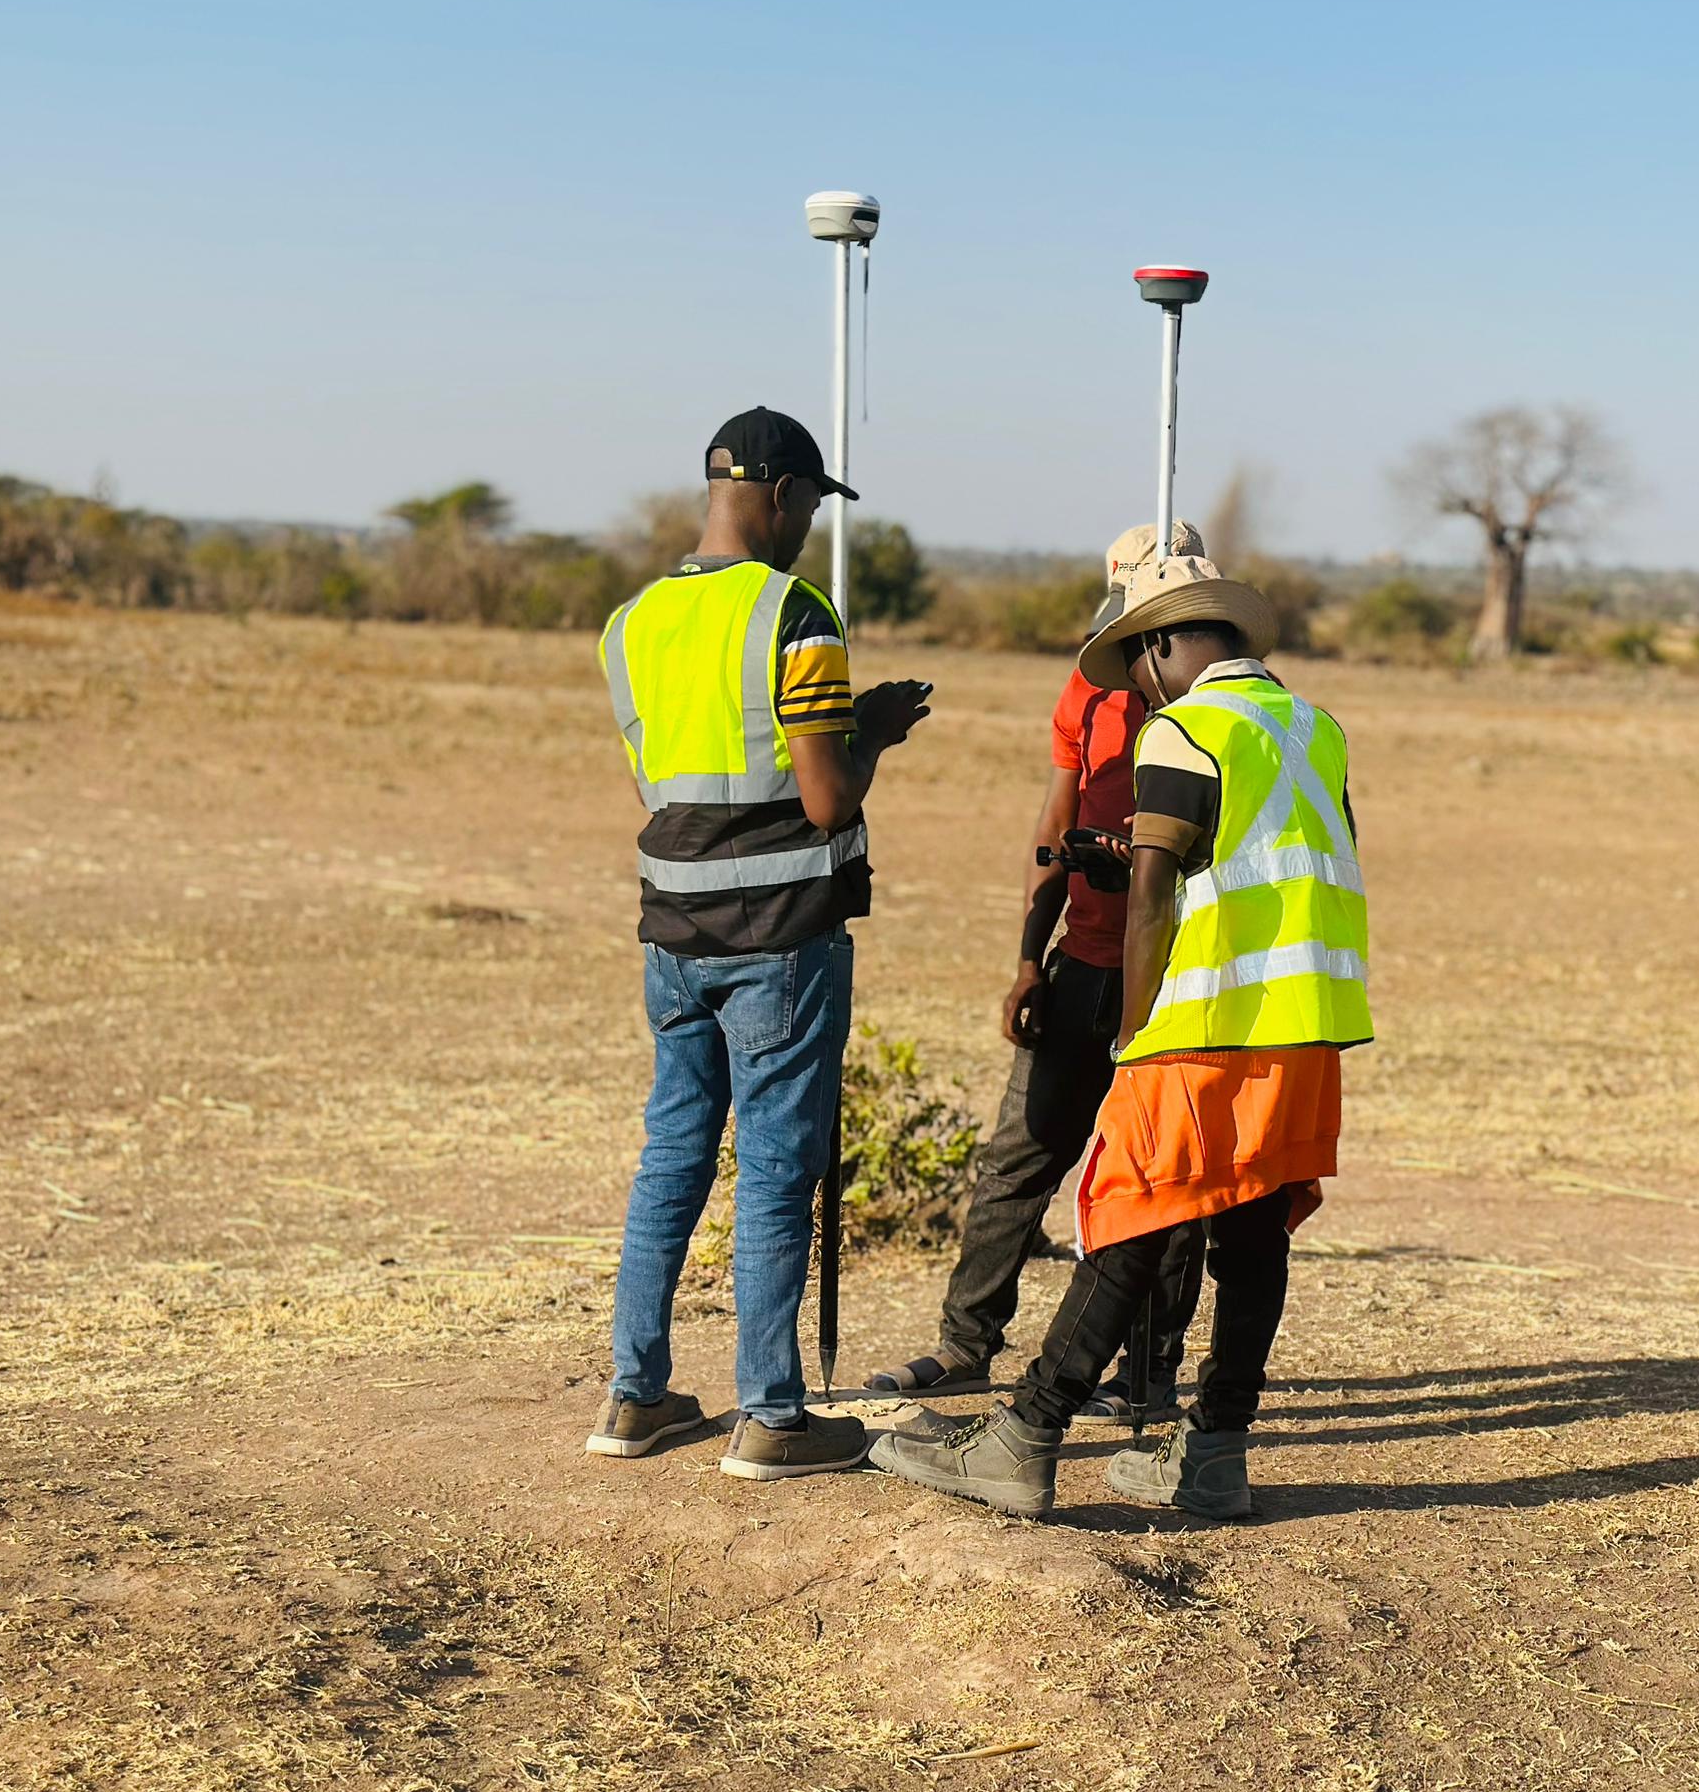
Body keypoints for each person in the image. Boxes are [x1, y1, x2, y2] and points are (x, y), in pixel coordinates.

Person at [870, 555, 1370, 1520]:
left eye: (1138, 666)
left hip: (1206, 1022)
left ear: (1164, 644)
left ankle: (1024, 1438)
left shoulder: (1186, 731)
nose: (1139, 690)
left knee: (1137, 1215)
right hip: (1307, 1026)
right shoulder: (1314, 728)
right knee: (1253, 1230)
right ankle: (1216, 1452)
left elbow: (1150, 897)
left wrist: (1134, 1030)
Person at [583, 406, 932, 1479]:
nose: (809, 527)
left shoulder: (629, 623)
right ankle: (772, 1417)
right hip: (780, 933)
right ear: (779, 495)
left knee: (674, 1157)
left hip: (671, 933)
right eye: (812, 507)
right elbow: (825, 803)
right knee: (777, 1172)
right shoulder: (797, 611)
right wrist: (867, 732)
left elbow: (662, 786)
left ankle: (633, 1398)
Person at [860, 522, 1209, 1422]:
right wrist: (1028, 960)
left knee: (1163, 1180)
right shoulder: (1087, 697)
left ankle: (1146, 1379)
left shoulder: (1218, 716)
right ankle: (966, 1345)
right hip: (1083, 965)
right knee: (1017, 1159)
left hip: (1177, 982)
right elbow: (1053, 833)